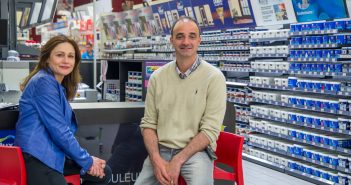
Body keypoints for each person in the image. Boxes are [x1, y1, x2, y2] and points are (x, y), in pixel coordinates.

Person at [135, 16, 227, 185]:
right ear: (171, 40)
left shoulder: (214, 77)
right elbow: (148, 124)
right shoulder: (157, 77)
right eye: (180, 36)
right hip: (161, 151)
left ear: (199, 40)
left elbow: (210, 130)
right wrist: (156, 159)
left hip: (196, 153)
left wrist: (177, 161)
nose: (186, 42)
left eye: (192, 36)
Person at [14, 35, 111, 185]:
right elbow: (59, 130)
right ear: (47, 58)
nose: (66, 60)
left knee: (104, 172)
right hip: (37, 157)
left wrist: (88, 161)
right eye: (60, 55)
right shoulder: (43, 82)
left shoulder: (56, 84)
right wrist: (87, 160)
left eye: (70, 56)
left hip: (55, 153)